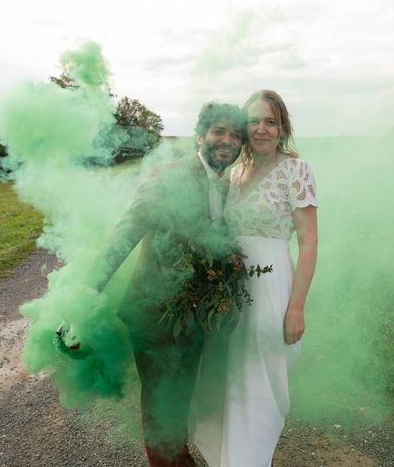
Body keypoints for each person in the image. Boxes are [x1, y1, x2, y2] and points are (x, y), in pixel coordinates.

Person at [61, 101, 245, 467]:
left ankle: (176, 454)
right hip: (154, 315)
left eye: (236, 135)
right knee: (162, 405)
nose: (228, 140)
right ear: (200, 136)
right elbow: (125, 232)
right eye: (219, 131)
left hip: (194, 320)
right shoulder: (167, 176)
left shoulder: (227, 188)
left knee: (180, 398)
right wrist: (84, 297)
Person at [195, 90, 318, 467]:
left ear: (282, 129)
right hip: (231, 290)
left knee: (260, 384)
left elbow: (309, 242)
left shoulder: (296, 170)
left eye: (270, 121)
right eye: (254, 121)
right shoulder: (236, 173)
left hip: (270, 288)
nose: (261, 129)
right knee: (229, 377)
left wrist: (295, 306)